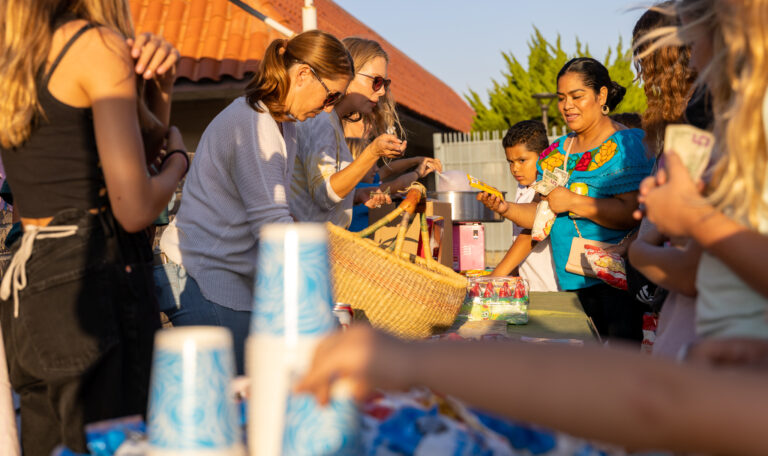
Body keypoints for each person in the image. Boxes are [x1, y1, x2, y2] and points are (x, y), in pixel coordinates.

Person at [0, 1, 188, 453]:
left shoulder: (17, 57)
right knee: (118, 443)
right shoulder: (96, 45)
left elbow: (125, 162)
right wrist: (179, 163)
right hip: (94, 273)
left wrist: (159, 89)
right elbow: (135, 208)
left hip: (31, 281)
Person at [156, 31, 354, 375]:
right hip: (203, 275)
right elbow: (274, 228)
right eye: (331, 95)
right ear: (304, 74)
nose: (330, 108)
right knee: (240, 401)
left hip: (221, 275)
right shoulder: (253, 123)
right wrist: (318, 302)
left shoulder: (281, 125)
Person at [479, 58, 654, 343]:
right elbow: (542, 217)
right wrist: (505, 207)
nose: (567, 106)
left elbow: (634, 213)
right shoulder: (557, 151)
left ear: (601, 96)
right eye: (561, 98)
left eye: (577, 96)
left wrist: (574, 201)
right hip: (571, 281)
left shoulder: (627, 144)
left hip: (618, 283)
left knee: (620, 373)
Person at [626, 2, 701, 358]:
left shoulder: (699, 114)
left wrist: (639, 251)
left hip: (687, 294)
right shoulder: (679, 114)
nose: (644, 73)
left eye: (646, 59)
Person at [290, 37, 407, 228]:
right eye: (376, 81)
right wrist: (372, 153)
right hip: (310, 247)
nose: (382, 92)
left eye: (385, 83)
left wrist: (356, 196)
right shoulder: (321, 121)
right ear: (349, 74)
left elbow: (317, 195)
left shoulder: (330, 120)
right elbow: (325, 195)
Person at [490, 120, 559, 292]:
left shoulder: (548, 184)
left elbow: (530, 235)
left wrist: (495, 277)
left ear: (543, 156)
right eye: (510, 162)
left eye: (522, 160)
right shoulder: (522, 187)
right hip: (529, 287)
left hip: (550, 289)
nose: (515, 168)